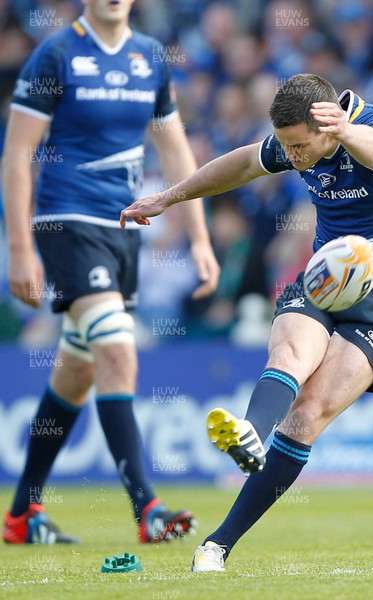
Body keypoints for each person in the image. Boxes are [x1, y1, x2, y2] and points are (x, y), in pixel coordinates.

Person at [121, 73, 373, 570]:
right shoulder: (297, 140)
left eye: (301, 147)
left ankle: (218, 543)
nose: (294, 158)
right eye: (287, 147)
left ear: (329, 127)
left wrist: (347, 132)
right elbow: (244, 162)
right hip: (326, 276)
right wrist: (169, 197)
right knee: (289, 353)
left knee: (308, 415)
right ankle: (250, 431)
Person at [2, 0, 220, 544]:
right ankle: (147, 507)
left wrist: (198, 236)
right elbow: (18, 153)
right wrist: (21, 247)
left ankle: (21, 513)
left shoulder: (151, 57)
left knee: (77, 371)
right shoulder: (55, 56)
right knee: (118, 350)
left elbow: (175, 156)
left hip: (123, 229)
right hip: (67, 223)